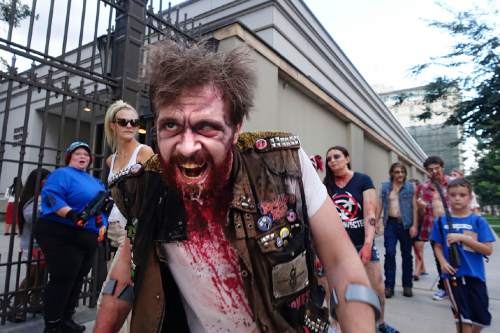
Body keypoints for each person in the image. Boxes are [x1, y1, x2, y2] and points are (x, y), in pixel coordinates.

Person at [94, 40, 380, 333]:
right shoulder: (149, 188)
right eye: (171, 126)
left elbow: (341, 263)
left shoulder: (284, 167)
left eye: (206, 126)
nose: (187, 146)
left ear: (236, 129)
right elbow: (122, 281)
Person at [34, 142, 109, 333]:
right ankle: (52, 325)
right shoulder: (61, 174)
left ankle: (66, 319)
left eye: (86, 154)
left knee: (77, 279)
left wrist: (103, 225)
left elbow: (102, 208)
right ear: (69, 157)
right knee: (63, 277)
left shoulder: (94, 181)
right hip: (61, 232)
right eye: (77, 154)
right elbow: (51, 196)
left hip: (87, 235)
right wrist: (70, 214)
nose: (82, 157)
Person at [324, 146, 398, 333]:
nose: (332, 160)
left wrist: (367, 244)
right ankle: (334, 326)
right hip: (336, 247)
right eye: (329, 158)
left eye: (337, 156)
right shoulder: (326, 184)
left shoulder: (362, 180)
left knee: (377, 286)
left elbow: (370, 213)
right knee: (334, 290)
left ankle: (380, 324)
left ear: (347, 158)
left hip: (360, 243)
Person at [97, 100, 154, 332]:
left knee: (110, 297)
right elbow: (112, 199)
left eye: (134, 121)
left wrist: (137, 234)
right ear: (113, 125)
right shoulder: (110, 160)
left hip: (133, 233)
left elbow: (152, 195)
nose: (130, 125)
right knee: (126, 295)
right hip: (112, 232)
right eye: (124, 122)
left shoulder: (144, 152)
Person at [431, 178, 495, 333]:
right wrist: (443, 263)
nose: (457, 198)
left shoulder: (478, 221)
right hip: (453, 277)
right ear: (448, 197)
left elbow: (487, 250)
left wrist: (464, 238)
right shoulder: (441, 221)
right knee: (463, 318)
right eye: (453, 195)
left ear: (470, 197)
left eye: (462, 194)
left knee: (481, 319)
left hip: (476, 276)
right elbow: (437, 246)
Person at [10, 168, 51, 322]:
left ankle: (35, 302)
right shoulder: (32, 199)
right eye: (46, 179)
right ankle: (17, 306)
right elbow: (32, 217)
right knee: (31, 276)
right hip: (32, 245)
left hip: (43, 244)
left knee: (40, 277)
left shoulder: (42, 196)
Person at [376, 162, 417, 298]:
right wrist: (376, 221)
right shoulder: (385, 187)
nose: (400, 174)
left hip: (405, 225)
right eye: (397, 172)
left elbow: (414, 208)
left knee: (407, 255)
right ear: (392, 173)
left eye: (402, 172)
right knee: (390, 253)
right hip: (391, 224)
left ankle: (407, 286)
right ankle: (389, 286)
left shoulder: (410, 187)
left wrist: (414, 226)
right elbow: (381, 204)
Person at [416, 155, 449, 301]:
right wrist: (421, 207)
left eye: (437, 168)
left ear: (442, 167)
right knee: (439, 259)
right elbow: (423, 212)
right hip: (434, 227)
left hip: (453, 226)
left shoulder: (453, 183)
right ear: (427, 172)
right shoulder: (424, 187)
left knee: (457, 257)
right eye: (431, 170)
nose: (434, 171)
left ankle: (459, 287)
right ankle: (443, 288)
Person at [409, 179, 427, 281]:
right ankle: (422, 268)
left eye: (414, 186)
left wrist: (421, 208)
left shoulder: (422, 200)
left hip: (420, 227)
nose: (412, 189)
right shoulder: (405, 199)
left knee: (418, 250)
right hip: (408, 227)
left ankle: (416, 272)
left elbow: (424, 216)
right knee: (415, 250)